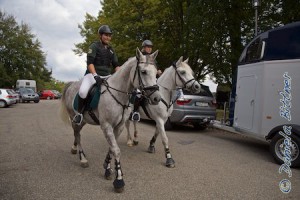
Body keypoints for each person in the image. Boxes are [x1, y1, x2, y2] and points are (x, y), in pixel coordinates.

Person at [73, 25, 120, 125]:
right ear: (100, 35)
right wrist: (95, 75)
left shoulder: (111, 50)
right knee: (82, 91)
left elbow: (116, 65)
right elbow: (90, 63)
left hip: (107, 76)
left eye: (109, 35)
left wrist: (120, 74)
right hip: (92, 74)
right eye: (106, 35)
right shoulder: (94, 46)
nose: (108, 37)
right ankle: (79, 114)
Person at [129, 40, 162, 121]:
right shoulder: (139, 57)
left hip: (151, 79)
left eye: (150, 47)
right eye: (148, 47)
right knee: (138, 94)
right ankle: (135, 112)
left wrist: (158, 72)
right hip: (141, 79)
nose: (149, 49)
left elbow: (154, 69)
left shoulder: (152, 59)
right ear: (143, 48)